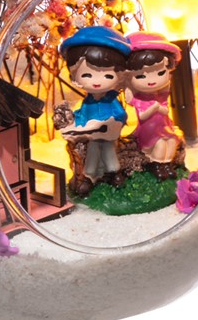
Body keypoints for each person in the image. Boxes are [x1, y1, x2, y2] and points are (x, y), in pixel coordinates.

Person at [57, 25, 131, 195]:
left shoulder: (111, 100)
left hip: (108, 135)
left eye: (107, 75)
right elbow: (82, 115)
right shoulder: (87, 102)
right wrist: (76, 123)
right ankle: (90, 177)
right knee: (92, 150)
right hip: (92, 136)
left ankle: (114, 173)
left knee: (109, 151)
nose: (97, 81)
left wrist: (113, 123)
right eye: (87, 75)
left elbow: (121, 115)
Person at [124, 32, 183, 167]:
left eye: (160, 73)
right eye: (141, 76)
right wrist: (155, 108)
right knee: (160, 145)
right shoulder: (139, 98)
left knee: (172, 142)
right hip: (148, 130)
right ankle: (157, 166)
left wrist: (159, 107)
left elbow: (165, 110)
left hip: (164, 126)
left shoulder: (160, 96)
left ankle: (167, 165)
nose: (152, 81)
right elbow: (142, 116)